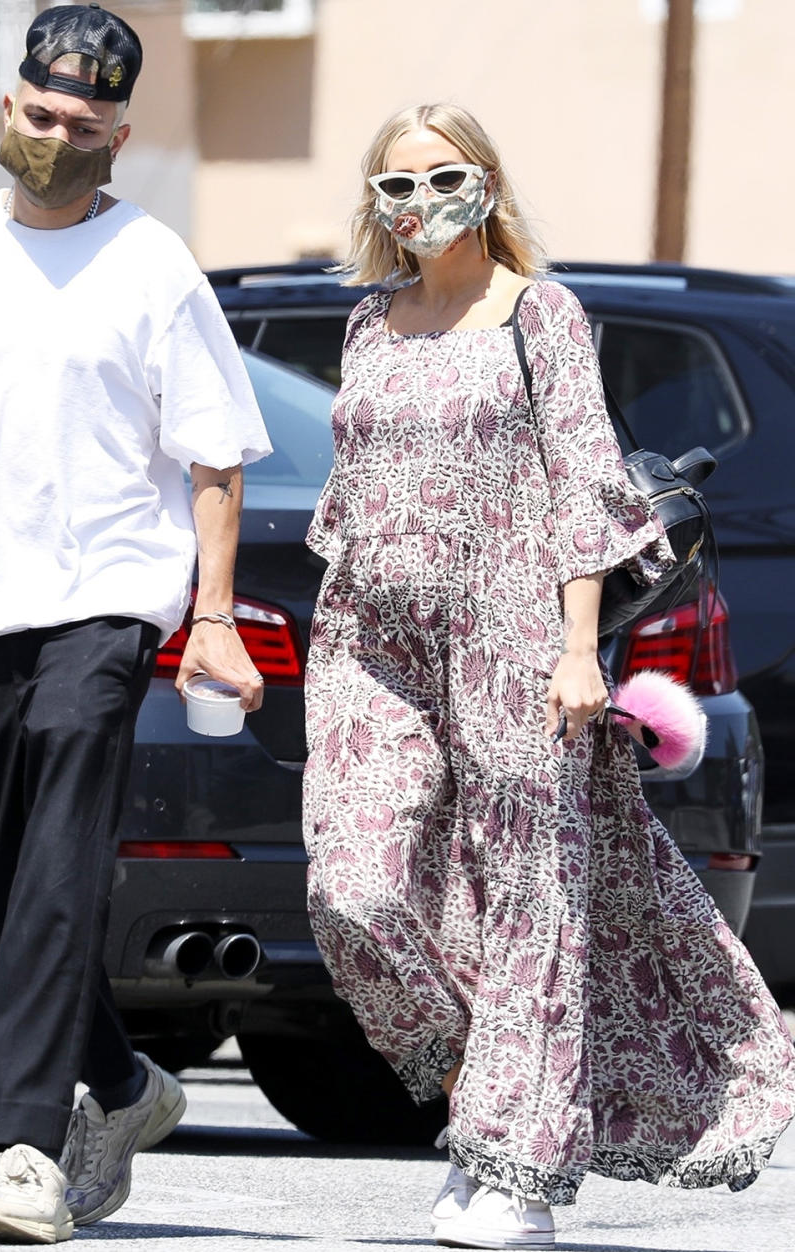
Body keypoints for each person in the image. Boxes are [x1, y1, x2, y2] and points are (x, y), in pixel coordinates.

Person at [302, 102, 795, 1250]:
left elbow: (584, 486)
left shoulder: (542, 314)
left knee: (533, 902)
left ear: (488, 181)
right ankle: (491, 1088)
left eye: (445, 177)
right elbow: (352, 485)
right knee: (354, 887)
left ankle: (516, 1172)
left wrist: (581, 650)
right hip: (373, 644)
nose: (421, 203)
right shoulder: (370, 324)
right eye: (396, 187)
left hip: (512, 637)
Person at [0, 4, 271, 1245]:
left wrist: (214, 619)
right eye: (40, 116)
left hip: (104, 605)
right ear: (7, 108)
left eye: (83, 126)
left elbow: (214, 460)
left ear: (121, 134)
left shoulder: (152, 266)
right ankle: (130, 1085)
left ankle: (27, 1148)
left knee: (55, 871)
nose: (55, 139)